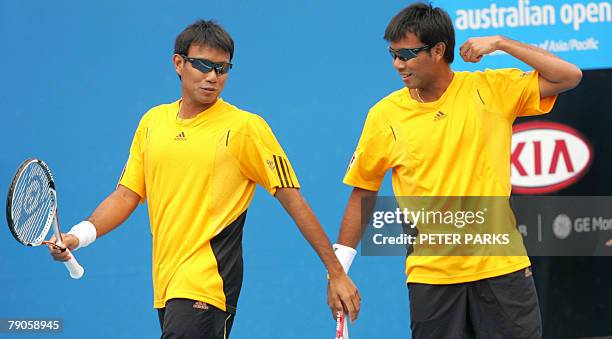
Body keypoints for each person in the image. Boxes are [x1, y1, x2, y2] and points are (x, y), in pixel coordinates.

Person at [48, 19, 360, 339]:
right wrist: (77, 236)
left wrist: (335, 272)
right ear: (179, 63)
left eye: (222, 69)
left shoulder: (246, 128)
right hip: (167, 285)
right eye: (203, 65)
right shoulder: (152, 123)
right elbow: (126, 196)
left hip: (208, 283)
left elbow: (293, 200)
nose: (213, 76)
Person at [331, 3, 582, 339]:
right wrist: (338, 271)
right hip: (431, 278)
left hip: (501, 270)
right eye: (392, 54)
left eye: (406, 54)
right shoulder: (383, 115)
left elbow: (569, 76)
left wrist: (502, 43)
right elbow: (363, 190)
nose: (398, 64)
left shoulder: (492, 89)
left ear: (438, 50)